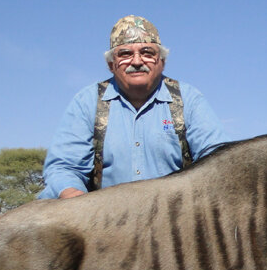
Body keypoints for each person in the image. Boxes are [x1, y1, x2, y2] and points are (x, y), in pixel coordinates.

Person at [39, 15, 229, 199]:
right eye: (125, 54)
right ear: (111, 65)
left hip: (174, 219)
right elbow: (64, 167)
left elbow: (218, 160)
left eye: (147, 53)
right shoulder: (87, 102)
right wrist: (77, 202)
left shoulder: (188, 99)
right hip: (105, 219)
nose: (137, 61)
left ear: (162, 62)